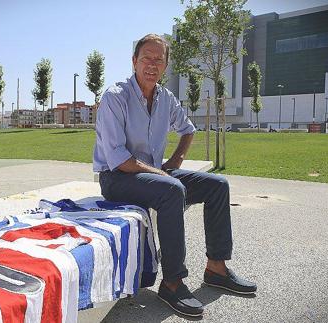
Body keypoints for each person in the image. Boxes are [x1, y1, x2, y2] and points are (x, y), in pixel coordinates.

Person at [93, 34, 256, 317]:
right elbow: (118, 159)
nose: (152, 65)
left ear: (166, 66)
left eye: (159, 60)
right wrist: (164, 174)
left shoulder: (166, 98)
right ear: (134, 61)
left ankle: (216, 268)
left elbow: (188, 129)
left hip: (154, 175)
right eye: (146, 58)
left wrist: (176, 160)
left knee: (218, 185)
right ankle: (171, 282)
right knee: (172, 190)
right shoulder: (115, 97)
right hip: (116, 178)